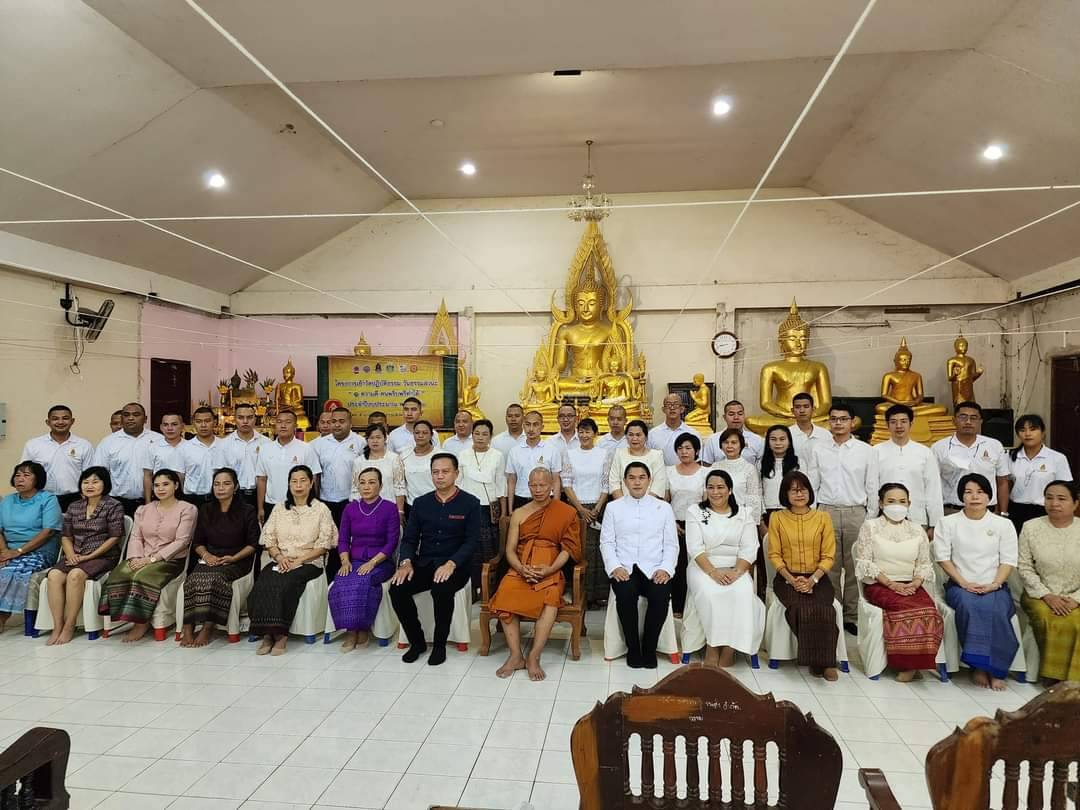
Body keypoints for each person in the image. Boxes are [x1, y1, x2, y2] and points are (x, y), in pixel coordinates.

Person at [490, 468, 581, 680]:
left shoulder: (566, 512)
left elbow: (568, 549)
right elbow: (510, 550)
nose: (538, 489)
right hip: (521, 567)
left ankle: (534, 656)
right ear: (528, 485)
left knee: (551, 601)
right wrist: (521, 569)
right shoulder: (519, 513)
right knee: (505, 595)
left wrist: (550, 569)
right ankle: (515, 656)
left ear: (552, 486)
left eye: (542, 485)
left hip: (550, 567)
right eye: (533, 485)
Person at [389, 453, 479, 666]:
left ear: (456, 473)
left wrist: (451, 564)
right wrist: (406, 562)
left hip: (455, 565)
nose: (440, 476)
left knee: (441, 589)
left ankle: (439, 646)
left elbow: (471, 542)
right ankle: (417, 642)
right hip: (425, 563)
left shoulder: (470, 503)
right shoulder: (421, 503)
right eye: (435, 472)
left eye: (445, 471)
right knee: (397, 588)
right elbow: (410, 539)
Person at [934, 473, 1019, 690]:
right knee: (970, 607)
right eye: (968, 492)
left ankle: (997, 669)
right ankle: (979, 667)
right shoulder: (948, 522)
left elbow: (1008, 560)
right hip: (960, 585)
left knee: (997, 610)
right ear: (961, 496)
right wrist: (963, 583)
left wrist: (995, 584)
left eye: (980, 492)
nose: (974, 497)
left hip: (995, 585)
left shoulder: (1003, 524)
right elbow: (942, 558)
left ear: (989, 496)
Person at [854, 483, 944, 681]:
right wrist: (891, 584)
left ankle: (918, 663)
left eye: (902, 501)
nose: (897, 505)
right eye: (891, 501)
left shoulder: (917, 530)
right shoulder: (870, 527)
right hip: (879, 585)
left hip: (911, 585)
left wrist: (915, 583)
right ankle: (906, 665)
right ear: (881, 503)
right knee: (904, 608)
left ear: (909, 504)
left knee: (929, 610)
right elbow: (865, 562)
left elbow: (923, 563)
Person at [98, 469, 196, 642]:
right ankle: (122, 617)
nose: (160, 489)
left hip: (170, 560)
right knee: (117, 575)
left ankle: (141, 623)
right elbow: (136, 537)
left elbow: (182, 541)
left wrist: (151, 559)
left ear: (176, 485)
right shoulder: (143, 509)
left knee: (141, 577)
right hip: (141, 557)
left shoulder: (187, 509)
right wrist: (136, 558)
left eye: (165, 484)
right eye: (156, 485)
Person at [249, 465, 336, 655]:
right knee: (265, 579)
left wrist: (298, 561)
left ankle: (281, 635)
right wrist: (280, 557)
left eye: (303, 481)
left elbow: (323, 545)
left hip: (310, 562)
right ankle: (267, 634)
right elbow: (269, 539)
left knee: (286, 582)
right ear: (288, 484)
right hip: (281, 560)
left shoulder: (321, 509)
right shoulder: (280, 508)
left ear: (311, 483)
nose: (298, 485)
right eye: (294, 481)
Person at [601, 462, 678, 668]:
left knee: (660, 596)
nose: (637, 482)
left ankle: (649, 648)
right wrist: (615, 567)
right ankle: (633, 648)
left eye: (642, 477)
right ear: (625, 481)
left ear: (649, 480)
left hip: (655, 566)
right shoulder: (613, 507)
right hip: (624, 566)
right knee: (626, 596)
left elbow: (671, 544)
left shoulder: (663, 508)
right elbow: (607, 542)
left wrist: (666, 568)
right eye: (632, 478)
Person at [685, 469, 764, 667]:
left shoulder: (744, 514)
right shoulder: (696, 512)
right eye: (710, 487)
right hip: (703, 566)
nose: (715, 492)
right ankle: (712, 646)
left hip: (737, 567)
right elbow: (694, 547)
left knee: (742, 592)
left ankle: (730, 648)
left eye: (720, 487)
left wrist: (736, 572)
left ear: (730, 490)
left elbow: (750, 547)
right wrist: (713, 572)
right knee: (711, 593)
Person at [767, 471, 839, 681]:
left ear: (810, 492)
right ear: (785, 494)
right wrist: (792, 580)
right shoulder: (777, 518)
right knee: (800, 608)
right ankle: (817, 661)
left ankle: (827, 663)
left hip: (818, 577)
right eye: (793, 491)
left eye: (803, 490)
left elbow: (828, 555)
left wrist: (812, 580)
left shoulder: (823, 517)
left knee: (825, 609)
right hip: (786, 578)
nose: (799, 494)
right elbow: (774, 554)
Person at [179, 468, 259, 647]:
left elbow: (253, 544)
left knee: (215, 579)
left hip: (237, 559)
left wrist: (234, 558)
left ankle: (208, 627)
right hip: (211, 557)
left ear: (235, 487)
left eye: (226, 484)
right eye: (217, 484)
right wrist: (207, 555)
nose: (221, 488)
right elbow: (197, 542)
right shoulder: (206, 509)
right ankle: (188, 627)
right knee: (192, 580)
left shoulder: (247, 510)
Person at [816, 403, 878, 634]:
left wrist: (870, 517)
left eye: (843, 419)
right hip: (826, 511)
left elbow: (872, 486)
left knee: (855, 566)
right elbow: (813, 482)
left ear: (852, 422)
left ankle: (851, 616)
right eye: (834, 419)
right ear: (829, 422)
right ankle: (833, 611)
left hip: (856, 512)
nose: (838, 423)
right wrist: (814, 514)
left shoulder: (866, 451)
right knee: (828, 564)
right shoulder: (818, 450)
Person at [44, 467, 124, 645]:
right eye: (86, 482)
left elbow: (115, 537)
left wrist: (89, 556)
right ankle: (57, 625)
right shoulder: (74, 506)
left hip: (103, 556)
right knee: (54, 575)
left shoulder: (113, 505)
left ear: (105, 484)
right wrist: (71, 554)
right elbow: (66, 536)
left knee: (75, 575)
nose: (90, 485)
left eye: (95, 482)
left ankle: (69, 625)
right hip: (76, 554)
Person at [329, 467, 399, 651]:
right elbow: (343, 539)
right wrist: (345, 561)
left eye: (372, 482)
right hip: (354, 561)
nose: (366, 487)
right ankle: (351, 631)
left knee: (363, 581)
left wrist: (372, 562)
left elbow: (391, 542)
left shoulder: (390, 508)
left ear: (381, 486)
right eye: (362, 483)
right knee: (341, 580)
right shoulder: (350, 508)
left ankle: (363, 629)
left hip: (381, 562)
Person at [1018, 480, 1080, 683]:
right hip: (1038, 595)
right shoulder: (1031, 527)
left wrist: (1075, 599)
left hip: (1075, 596)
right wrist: (1047, 595)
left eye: (1061, 499)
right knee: (1050, 617)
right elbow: (1024, 567)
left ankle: (1072, 681)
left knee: (1075, 621)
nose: (1054, 503)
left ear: (1075, 503)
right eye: (1049, 498)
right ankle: (1053, 677)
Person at [0, 462, 62, 634]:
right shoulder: (8, 501)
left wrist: (18, 552)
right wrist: (4, 552)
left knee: (11, 570)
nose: (20, 479)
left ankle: (2, 616)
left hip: (40, 551)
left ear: (37, 479)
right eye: (17, 475)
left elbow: (48, 532)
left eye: (26, 475)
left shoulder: (48, 499)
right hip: (9, 551)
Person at [872, 404, 943, 538]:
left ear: (911, 424)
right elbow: (872, 487)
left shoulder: (924, 452)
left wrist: (935, 523)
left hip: (916, 517)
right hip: (884, 517)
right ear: (887, 425)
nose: (899, 426)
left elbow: (933, 489)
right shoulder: (876, 451)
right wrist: (871, 517)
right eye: (893, 422)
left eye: (903, 421)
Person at [562, 418, 611, 608]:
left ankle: (599, 594)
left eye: (588, 431)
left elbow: (606, 483)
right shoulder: (570, 454)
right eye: (581, 432)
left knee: (598, 550)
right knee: (579, 550)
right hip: (576, 508)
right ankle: (580, 592)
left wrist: (597, 508)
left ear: (595, 434)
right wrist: (581, 509)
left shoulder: (604, 454)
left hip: (599, 507)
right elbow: (567, 484)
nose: (584, 435)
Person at [312, 408, 366, 578]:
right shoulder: (319, 444)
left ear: (350, 423)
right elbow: (315, 474)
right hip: (326, 500)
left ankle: (349, 572)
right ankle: (328, 575)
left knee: (349, 538)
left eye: (341, 421)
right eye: (333, 421)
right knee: (328, 538)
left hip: (351, 501)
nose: (336, 425)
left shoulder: (360, 443)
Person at [932, 402, 1010, 517]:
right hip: (952, 511)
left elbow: (1002, 482)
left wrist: (1003, 513)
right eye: (963, 417)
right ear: (953, 420)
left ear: (981, 421)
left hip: (987, 512)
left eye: (973, 418)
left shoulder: (994, 445)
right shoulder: (939, 447)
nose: (968, 422)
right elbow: (932, 484)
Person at [457, 419, 507, 595]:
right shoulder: (463, 455)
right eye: (477, 433)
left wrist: (503, 512)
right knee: (470, 548)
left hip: (488, 508)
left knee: (488, 549)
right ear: (472, 435)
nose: (480, 437)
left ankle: (489, 589)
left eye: (485, 434)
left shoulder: (497, 456)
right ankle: (471, 587)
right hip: (467, 507)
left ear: (490, 436)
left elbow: (500, 484)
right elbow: (458, 482)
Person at [92, 403, 164, 516]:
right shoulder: (108, 442)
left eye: (136, 415)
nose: (131, 418)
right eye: (126, 415)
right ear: (122, 419)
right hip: (117, 503)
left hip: (154, 501)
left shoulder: (159, 440)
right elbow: (99, 474)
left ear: (145, 419)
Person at [20, 404, 94, 512]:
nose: (60, 422)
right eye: (55, 419)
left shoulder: (84, 445)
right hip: (41, 497)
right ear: (48, 422)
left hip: (75, 499)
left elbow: (90, 474)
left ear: (72, 421)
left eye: (65, 418)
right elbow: (24, 473)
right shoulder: (33, 444)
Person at [1006, 414, 1073, 534]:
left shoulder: (1057, 458)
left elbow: (1065, 489)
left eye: (1033, 429)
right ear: (1018, 434)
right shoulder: (1009, 457)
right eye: (1022, 430)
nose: (1027, 434)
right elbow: (1005, 485)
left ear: (1043, 433)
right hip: (1016, 510)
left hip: (1045, 510)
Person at [665, 432, 708, 615]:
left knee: (698, 565)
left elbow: (707, 503)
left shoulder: (705, 472)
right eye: (680, 448)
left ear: (696, 451)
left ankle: (697, 606)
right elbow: (665, 501)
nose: (684, 452)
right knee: (678, 565)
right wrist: (672, 523)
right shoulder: (669, 471)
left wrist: (700, 525)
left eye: (688, 448)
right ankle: (678, 606)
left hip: (697, 523)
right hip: (674, 524)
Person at [255, 411, 321, 525]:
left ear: (295, 425)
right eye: (279, 422)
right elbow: (262, 479)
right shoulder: (265, 449)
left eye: (288, 422)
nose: (283, 425)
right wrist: (260, 508)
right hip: (272, 504)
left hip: (299, 504)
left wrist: (312, 504)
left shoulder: (306, 449)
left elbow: (314, 478)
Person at [218, 403, 273, 511]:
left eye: (249, 417)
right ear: (234, 419)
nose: (245, 421)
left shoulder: (266, 443)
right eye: (241, 417)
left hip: (261, 494)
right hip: (234, 494)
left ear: (255, 419)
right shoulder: (224, 444)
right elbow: (221, 473)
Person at [506, 411, 562, 509]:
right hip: (521, 499)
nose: (531, 429)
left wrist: (556, 507)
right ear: (523, 426)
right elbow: (511, 480)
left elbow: (556, 480)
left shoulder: (552, 450)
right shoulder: (514, 451)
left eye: (535, 425)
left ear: (542, 427)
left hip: (546, 499)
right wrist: (510, 509)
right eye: (528, 424)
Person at [351, 423, 406, 516]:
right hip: (365, 511)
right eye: (371, 438)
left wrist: (400, 511)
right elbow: (355, 489)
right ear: (367, 440)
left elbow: (399, 487)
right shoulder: (359, 461)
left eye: (378, 437)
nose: (375, 441)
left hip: (389, 509)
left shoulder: (394, 459)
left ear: (385, 438)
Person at [606, 421, 667, 499]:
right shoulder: (619, 453)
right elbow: (614, 483)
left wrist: (645, 504)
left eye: (638, 435)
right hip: (623, 502)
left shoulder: (657, 455)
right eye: (631, 435)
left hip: (650, 503)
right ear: (626, 437)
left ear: (646, 437)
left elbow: (658, 483)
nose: (634, 438)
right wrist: (623, 504)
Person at [142, 413, 190, 502]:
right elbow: (147, 475)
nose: (169, 428)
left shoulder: (191, 446)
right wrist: (148, 502)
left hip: (186, 496)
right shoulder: (153, 447)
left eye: (174, 424)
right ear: (161, 427)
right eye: (165, 425)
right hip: (160, 495)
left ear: (182, 426)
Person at [181, 407, 224, 505]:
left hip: (219, 498)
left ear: (215, 422)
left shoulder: (224, 446)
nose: (203, 425)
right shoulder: (185, 447)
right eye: (199, 421)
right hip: (192, 498)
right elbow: (181, 476)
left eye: (207, 421)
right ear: (193, 423)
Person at [702, 401, 764, 467]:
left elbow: (762, 465)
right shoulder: (713, 439)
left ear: (744, 416)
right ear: (724, 417)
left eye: (740, 414)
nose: (736, 417)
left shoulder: (756, 440)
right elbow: (706, 465)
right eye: (731, 414)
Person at [648, 393, 700, 466]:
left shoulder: (693, 433)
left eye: (675, 405)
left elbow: (698, 461)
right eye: (668, 405)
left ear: (682, 409)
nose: (672, 408)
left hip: (686, 472)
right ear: (663, 409)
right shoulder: (653, 434)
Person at [401, 420, 439, 517]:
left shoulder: (441, 455)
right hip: (411, 505)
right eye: (417, 433)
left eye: (425, 433)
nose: (420, 436)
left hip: (436, 504)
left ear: (431, 435)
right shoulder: (404, 455)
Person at [789, 393, 831, 464]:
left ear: (813, 409)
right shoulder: (787, 434)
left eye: (806, 406)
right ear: (792, 411)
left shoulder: (825, 434)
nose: (802, 410)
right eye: (798, 407)